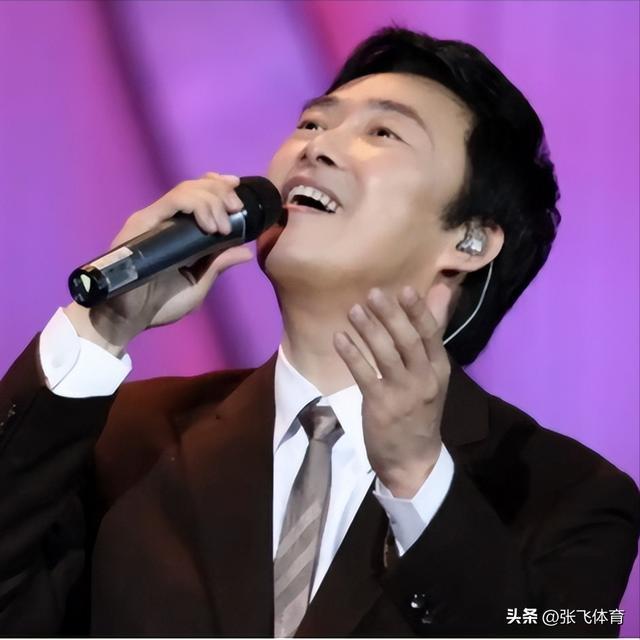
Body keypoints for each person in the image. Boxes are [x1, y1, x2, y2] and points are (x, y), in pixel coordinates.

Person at [0, 26, 638, 637]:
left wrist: (418, 479)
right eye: (311, 123)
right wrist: (102, 325)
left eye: (382, 132)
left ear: (470, 239)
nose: (316, 147)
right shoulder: (127, 436)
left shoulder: (571, 496)